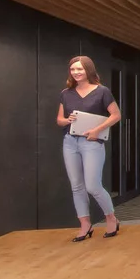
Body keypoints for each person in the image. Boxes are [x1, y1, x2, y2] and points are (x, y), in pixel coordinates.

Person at [56, 55, 121, 242]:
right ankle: (85, 224)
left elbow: (115, 115)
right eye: (73, 69)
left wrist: (97, 131)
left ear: (88, 70)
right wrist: (66, 120)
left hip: (92, 142)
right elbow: (59, 120)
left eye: (80, 69)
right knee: (77, 186)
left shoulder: (102, 91)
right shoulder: (66, 93)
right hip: (70, 141)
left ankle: (111, 218)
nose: (76, 72)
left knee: (93, 185)